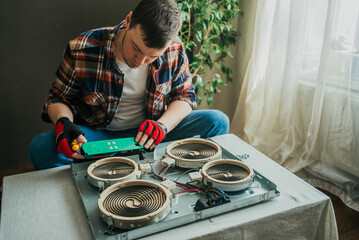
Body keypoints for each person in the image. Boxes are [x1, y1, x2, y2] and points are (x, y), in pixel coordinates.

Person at [28, 0, 229, 170]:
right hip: (100, 136)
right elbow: (57, 99)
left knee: (218, 121)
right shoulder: (82, 47)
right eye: (136, 48)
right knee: (40, 147)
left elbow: (185, 96)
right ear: (129, 20)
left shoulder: (174, 48)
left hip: (149, 134)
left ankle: (136, 165)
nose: (140, 62)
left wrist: (162, 126)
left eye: (153, 56)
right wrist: (64, 122)